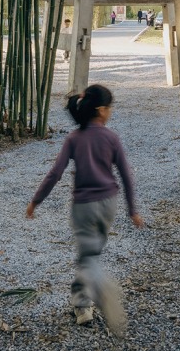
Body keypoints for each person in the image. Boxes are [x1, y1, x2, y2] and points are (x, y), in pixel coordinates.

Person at [27, 85, 143, 335]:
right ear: (101, 110)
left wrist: (36, 200)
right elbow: (126, 175)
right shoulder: (111, 138)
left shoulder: (74, 139)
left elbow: (55, 174)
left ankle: (101, 292)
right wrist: (132, 209)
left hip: (83, 207)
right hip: (108, 205)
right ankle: (82, 303)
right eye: (110, 108)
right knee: (91, 255)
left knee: (88, 257)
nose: (111, 112)